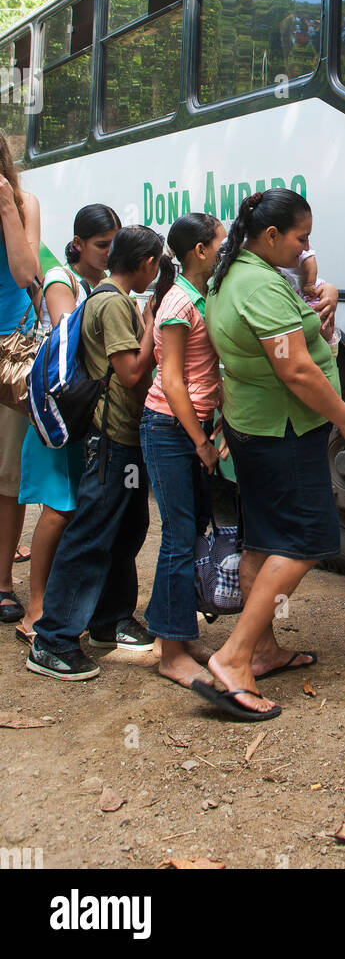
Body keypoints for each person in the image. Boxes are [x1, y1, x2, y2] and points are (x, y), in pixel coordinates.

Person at [198, 189, 345, 721]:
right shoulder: (258, 284)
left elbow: (303, 308)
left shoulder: (237, 272)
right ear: (271, 236)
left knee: (263, 541)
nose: (305, 247)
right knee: (304, 541)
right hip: (285, 433)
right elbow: (295, 370)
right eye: (301, 237)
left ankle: (264, 649)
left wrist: (328, 293)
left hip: (255, 429)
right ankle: (233, 657)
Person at [27, 226, 166, 681]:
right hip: (111, 440)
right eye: (157, 264)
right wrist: (151, 326)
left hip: (125, 439)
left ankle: (110, 619)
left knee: (126, 529)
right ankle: (52, 640)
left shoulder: (114, 298)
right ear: (145, 264)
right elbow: (129, 374)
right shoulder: (110, 302)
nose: (158, 272)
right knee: (92, 534)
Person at [17, 204, 121, 643]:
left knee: (74, 508)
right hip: (60, 414)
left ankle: (60, 599)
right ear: (78, 244)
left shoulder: (103, 285)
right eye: (101, 246)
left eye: (115, 246)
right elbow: (67, 336)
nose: (108, 254)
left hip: (83, 415)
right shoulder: (64, 280)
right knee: (58, 509)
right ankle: (36, 605)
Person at [140, 213, 228, 688]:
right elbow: (171, 379)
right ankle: (172, 654)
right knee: (177, 535)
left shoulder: (198, 295)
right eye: (219, 242)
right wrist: (200, 441)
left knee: (189, 529)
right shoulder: (178, 302)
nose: (224, 248)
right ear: (199, 251)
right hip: (170, 429)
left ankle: (172, 633)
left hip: (188, 427)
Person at [0, 129, 41, 625]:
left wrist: (8, 209)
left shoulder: (25, 202)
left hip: (9, 353)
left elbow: (26, 274)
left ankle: (4, 583)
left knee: (7, 478)